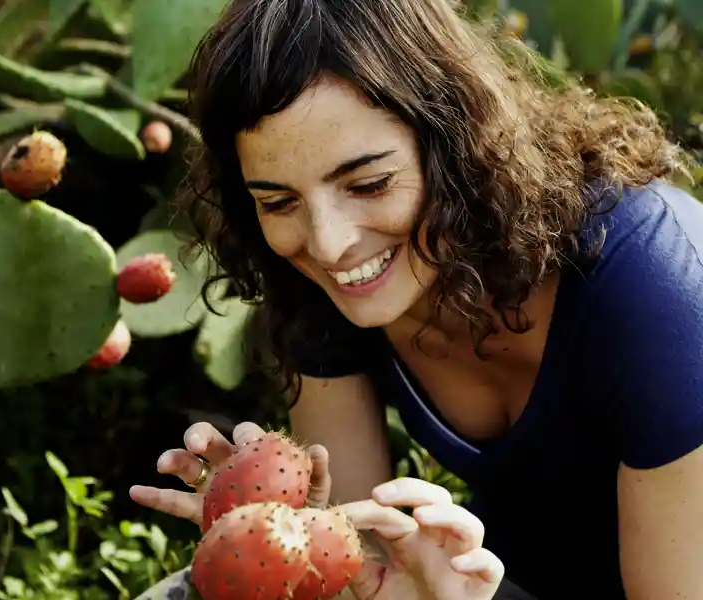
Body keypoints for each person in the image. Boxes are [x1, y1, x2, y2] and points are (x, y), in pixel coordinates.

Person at [129, 0, 703, 598]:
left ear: (459, 146)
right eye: (278, 202)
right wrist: (288, 530)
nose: (328, 244)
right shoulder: (317, 285)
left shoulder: (654, 285)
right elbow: (370, 563)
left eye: (369, 184)